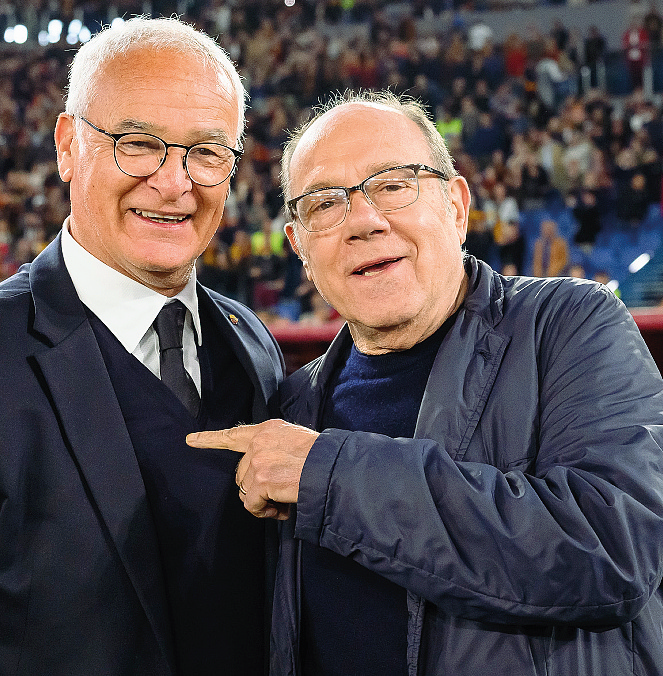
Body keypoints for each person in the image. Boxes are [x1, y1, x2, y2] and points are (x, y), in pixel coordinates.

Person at [188, 91, 663, 675]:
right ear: (300, 248)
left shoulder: (570, 326)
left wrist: (330, 474)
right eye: (324, 204)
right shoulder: (292, 406)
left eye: (393, 183)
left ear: (457, 206)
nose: (364, 220)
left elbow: (611, 552)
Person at [0, 17, 284, 676]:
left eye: (207, 151)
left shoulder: (251, 342)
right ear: (68, 145)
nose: (173, 181)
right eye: (138, 143)